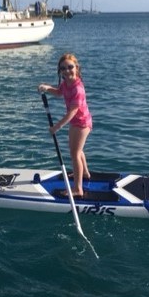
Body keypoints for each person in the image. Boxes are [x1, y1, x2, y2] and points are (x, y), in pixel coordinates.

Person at [38, 53, 92, 198]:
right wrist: (47, 88)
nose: (67, 71)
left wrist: (57, 127)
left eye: (70, 67)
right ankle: (85, 173)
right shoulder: (66, 84)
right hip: (75, 122)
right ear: (60, 71)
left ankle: (78, 189)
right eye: (63, 68)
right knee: (77, 151)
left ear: (76, 68)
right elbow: (58, 92)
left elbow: (73, 111)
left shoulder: (78, 88)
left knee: (75, 154)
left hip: (82, 123)